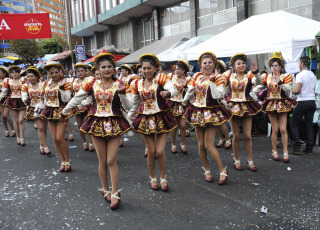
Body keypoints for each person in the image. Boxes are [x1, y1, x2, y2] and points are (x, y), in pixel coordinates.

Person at [62, 53, 131, 210]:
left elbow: (127, 105)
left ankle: (115, 192)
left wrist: (122, 93)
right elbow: (77, 98)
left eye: (109, 66)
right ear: (98, 69)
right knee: (102, 160)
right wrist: (65, 111)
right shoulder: (91, 84)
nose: (107, 69)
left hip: (114, 122)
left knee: (111, 160)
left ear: (114, 68)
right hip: (96, 122)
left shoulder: (120, 84)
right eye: (103, 67)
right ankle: (105, 188)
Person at [128, 53, 178, 192]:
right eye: (144, 68)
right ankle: (152, 177)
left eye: (149, 68)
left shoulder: (161, 78)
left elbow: (173, 89)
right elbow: (135, 103)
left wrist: (168, 94)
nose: (146, 71)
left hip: (161, 117)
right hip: (144, 118)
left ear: (155, 68)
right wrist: (129, 118)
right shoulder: (136, 83)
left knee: (160, 151)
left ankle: (163, 178)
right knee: (151, 151)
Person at [183, 52, 230, 185]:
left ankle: (222, 170)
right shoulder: (197, 76)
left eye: (210, 62)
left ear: (214, 64)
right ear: (200, 65)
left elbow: (218, 96)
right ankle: (207, 170)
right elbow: (190, 90)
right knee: (201, 144)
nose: (207, 65)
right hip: (197, 111)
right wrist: (183, 102)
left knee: (209, 145)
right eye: (205, 63)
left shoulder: (219, 78)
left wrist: (212, 82)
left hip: (211, 111)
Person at [226, 53, 261, 171]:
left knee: (247, 136)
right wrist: (223, 101)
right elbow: (223, 89)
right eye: (238, 63)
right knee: (235, 136)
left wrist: (256, 72)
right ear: (234, 67)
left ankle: (249, 160)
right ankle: (236, 159)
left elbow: (260, 83)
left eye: (243, 63)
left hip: (246, 105)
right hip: (233, 106)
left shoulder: (250, 75)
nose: (241, 65)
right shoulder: (229, 76)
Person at [259, 53, 296, 162]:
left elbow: (288, 88)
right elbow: (259, 86)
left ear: (281, 67)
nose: (274, 68)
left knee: (283, 129)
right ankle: (274, 151)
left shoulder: (285, 76)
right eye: (272, 66)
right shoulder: (266, 77)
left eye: (276, 65)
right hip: (270, 103)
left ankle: (285, 152)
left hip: (282, 103)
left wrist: (279, 82)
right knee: (275, 129)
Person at [39, 61, 73, 172]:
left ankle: (67, 160)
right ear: (48, 74)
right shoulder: (46, 84)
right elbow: (44, 97)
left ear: (61, 72)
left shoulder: (66, 83)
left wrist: (61, 89)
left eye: (56, 72)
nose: (54, 74)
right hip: (50, 110)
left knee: (60, 138)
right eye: (52, 73)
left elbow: (67, 98)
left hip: (62, 110)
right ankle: (62, 160)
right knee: (54, 139)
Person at [21, 67, 51, 155]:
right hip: (34, 109)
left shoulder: (44, 85)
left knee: (44, 128)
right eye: (28, 77)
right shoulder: (26, 86)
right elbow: (23, 96)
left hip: (44, 108)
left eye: (31, 76)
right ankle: (45, 147)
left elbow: (47, 95)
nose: (29, 78)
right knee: (40, 127)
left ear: (37, 77)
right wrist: (26, 99)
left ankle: (42, 145)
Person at [291, 56, 317, 155]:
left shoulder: (300, 75)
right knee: (309, 125)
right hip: (312, 101)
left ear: (301, 64)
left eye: (299, 64)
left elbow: (298, 90)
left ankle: (296, 148)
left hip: (302, 101)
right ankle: (309, 148)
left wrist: (291, 89)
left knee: (294, 123)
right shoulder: (313, 75)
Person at [167, 60, 194, 154]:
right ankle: (173, 144)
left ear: (183, 71)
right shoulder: (171, 77)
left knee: (182, 125)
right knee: (174, 126)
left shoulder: (188, 79)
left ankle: (182, 144)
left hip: (182, 103)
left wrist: (186, 86)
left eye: (179, 69)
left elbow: (191, 90)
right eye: (176, 69)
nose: (177, 71)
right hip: (171, 103)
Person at [0, 65, 27, 146]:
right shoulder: (7, 81)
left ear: (19, 73)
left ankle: (22, 138)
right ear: (10, 74)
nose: (14, 74)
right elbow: (4, 93)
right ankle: (18, 137)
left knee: (21, 120)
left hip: (22, 101)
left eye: (16, 72)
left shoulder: (23, 80)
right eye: (12, 72)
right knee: (16, 120)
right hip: (12, 101)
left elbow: (28, 89)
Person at [72, 62, 94, 152]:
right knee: (80, 125)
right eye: (78, 71)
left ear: (86, 72)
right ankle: (84, 142)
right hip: (77, 105)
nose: (80, 73)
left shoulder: (89, 81)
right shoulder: (73, 82)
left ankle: (91, 143)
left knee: (88, 124)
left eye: (82, 71)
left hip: (88, 104)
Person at [214, 60, 232, 149]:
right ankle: (221, 139)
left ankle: (228, 139)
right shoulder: (210, 76)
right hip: (211, 101)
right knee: (215, 122)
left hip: (220, 101)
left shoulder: (222, 76)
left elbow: (222, 90)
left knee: (221, 122)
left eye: (217, 67)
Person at [0, 66, 15, 137]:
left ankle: (13, 129)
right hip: (0, 100)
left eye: (0, 73)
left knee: (6, 115)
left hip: (7, 99)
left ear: (4, 74)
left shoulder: (8, 80)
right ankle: (6, 130)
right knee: (3, 116)